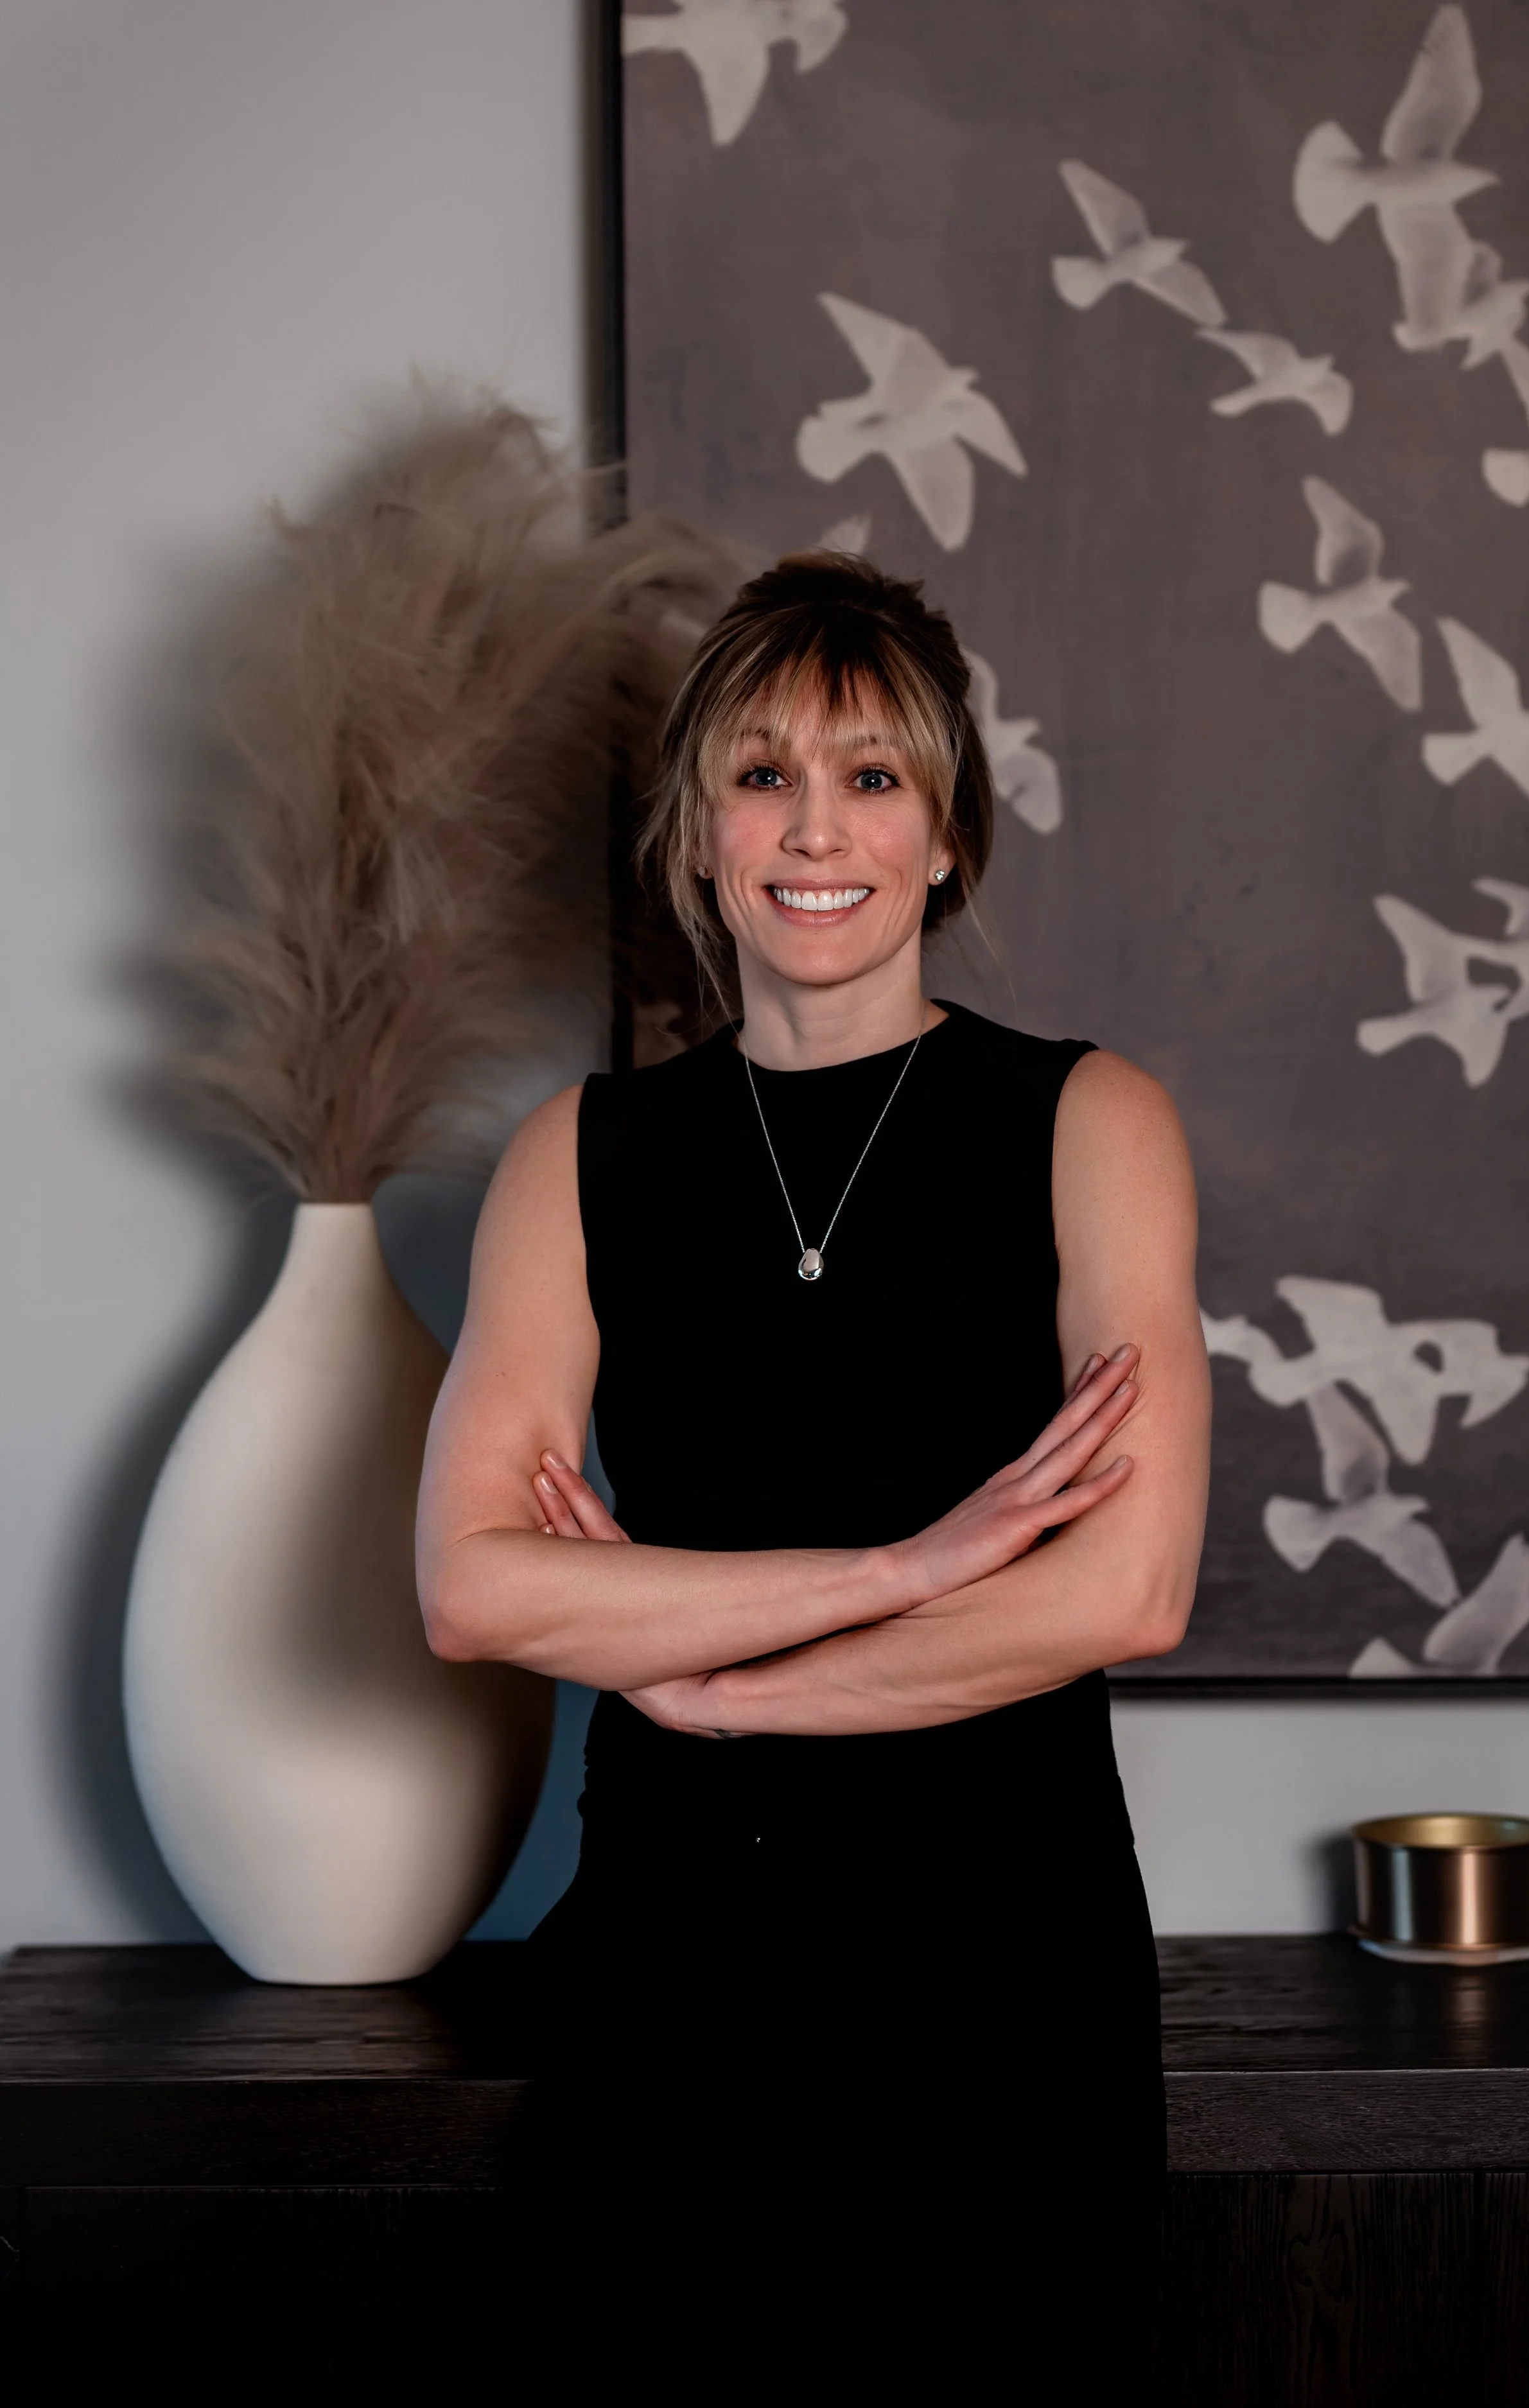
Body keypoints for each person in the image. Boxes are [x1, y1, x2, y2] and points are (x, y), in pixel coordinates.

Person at [417, 552, 1210, 2380]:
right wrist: (908, 1568)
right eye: (759, 771)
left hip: (1000, 1969)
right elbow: (475, 1583)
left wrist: (707, 1679)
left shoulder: (1090, 1118)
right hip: (672, 1966)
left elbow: (1122, 1587)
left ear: (945, 835)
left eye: (870, 774)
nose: (811, 825)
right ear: (697, 829)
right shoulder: (577, 1151)